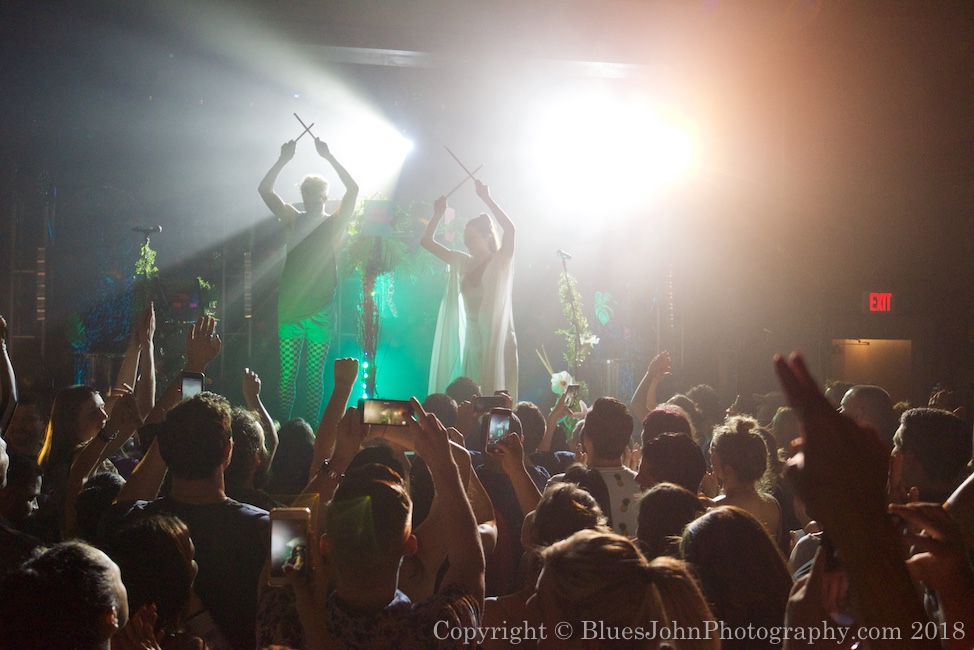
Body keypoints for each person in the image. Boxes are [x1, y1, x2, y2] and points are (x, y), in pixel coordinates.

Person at [258, 136, 359, 423]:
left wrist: (329, 157)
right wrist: (283, 159)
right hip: (292, 308)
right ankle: (284, 432)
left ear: (324, 198)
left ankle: (311, 433)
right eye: (305, 195)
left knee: (313, 376)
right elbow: (264, 190)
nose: (308, 200)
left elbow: (353, 189)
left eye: (313, 196)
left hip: (320, 308)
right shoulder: (294, 217)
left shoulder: (333, 221)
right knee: (287, 375)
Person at [423, 181, 518, 401]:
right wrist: (438, 213)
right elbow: (426, 241)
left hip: (496, 340)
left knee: (494, 401)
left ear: (486, 236)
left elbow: (511, 230)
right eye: (465, 239)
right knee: (470, 401)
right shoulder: (462, 262)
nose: (468, 243)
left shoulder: (500, 261)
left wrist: (486, 197)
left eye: (472, 238)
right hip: (472, 342)